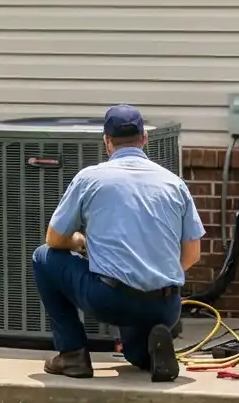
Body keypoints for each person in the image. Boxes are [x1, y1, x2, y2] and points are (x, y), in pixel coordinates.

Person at [30, 104, 204, 382]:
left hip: (111, 299)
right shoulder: (174, 183)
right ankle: (150, 353)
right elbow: (193, 254)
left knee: (43, 258)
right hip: (166, 305)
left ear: (106, 142)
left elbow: (53, 238)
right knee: (134, 356)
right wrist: (154, 275)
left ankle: (72, 354)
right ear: (144, 138)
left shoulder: (90, 178)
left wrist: (78, 242)